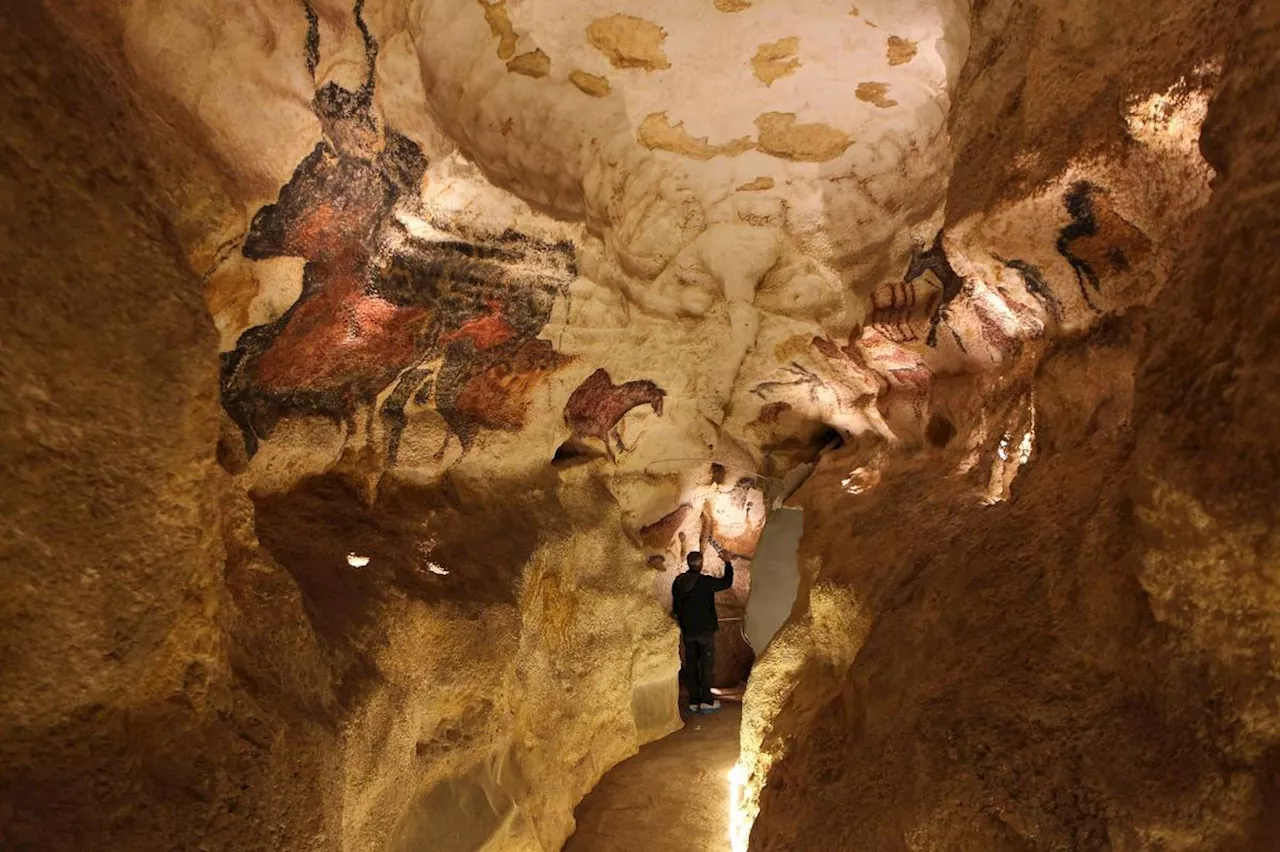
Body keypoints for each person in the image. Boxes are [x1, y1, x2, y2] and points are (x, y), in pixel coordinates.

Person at [671, 550, 734, 714]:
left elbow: (676, 606)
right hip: (705, 630)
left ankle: (693, 700)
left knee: (691, 664)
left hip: (688, 630)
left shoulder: (678, 582)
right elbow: (726, 583)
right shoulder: (704, 582)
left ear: (688, 563)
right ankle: (707, 700)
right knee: (706, 664)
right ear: (701, 564)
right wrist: (727, 563)